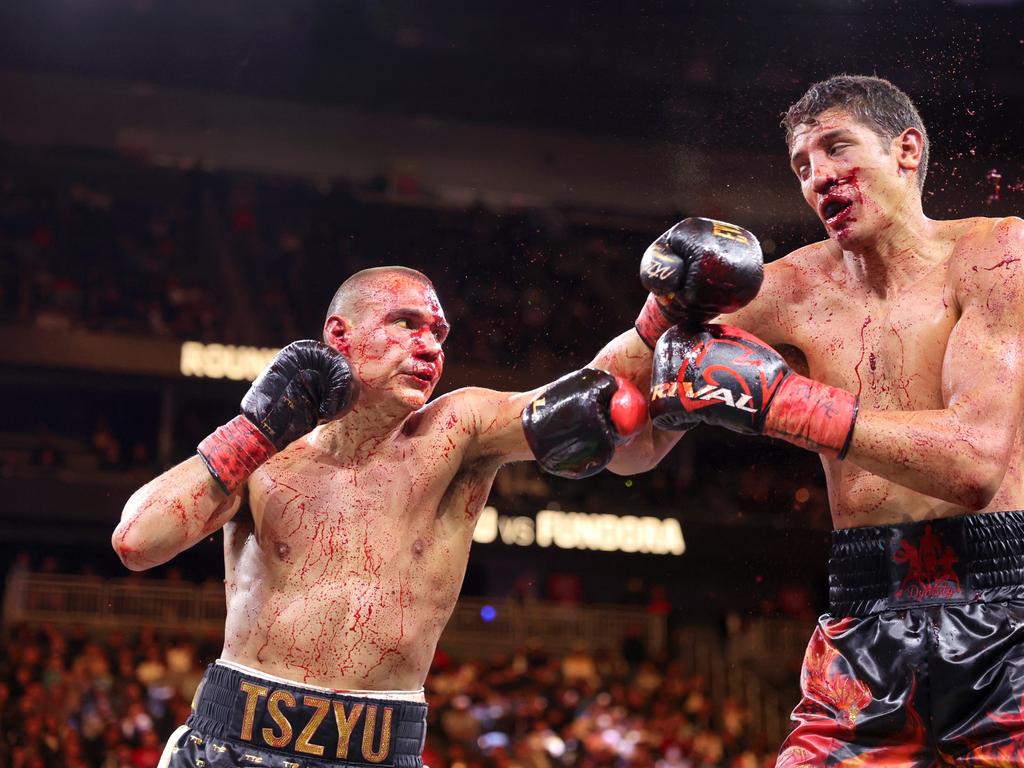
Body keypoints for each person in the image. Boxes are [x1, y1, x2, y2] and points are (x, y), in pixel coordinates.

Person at [112, 247, 762, 767]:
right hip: (230, 741)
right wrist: (253, 431)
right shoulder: (268, 455)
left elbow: (597, 401)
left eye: (439, 332)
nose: (430, 345)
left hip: (381, 749)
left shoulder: (458, 433)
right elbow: (140, 541)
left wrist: (662, 316)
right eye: (407, 324)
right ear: (338, 333)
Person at [644, 75, 1024, 764]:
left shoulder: (996, 253)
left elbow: (973, 465)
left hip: (1009, 607)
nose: (818, 177)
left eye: (836, 148)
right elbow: (616, 395)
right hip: (861, 610)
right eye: (801, 166)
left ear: (907, 151)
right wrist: (661, 316)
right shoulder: (790, 287)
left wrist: (785, 403)